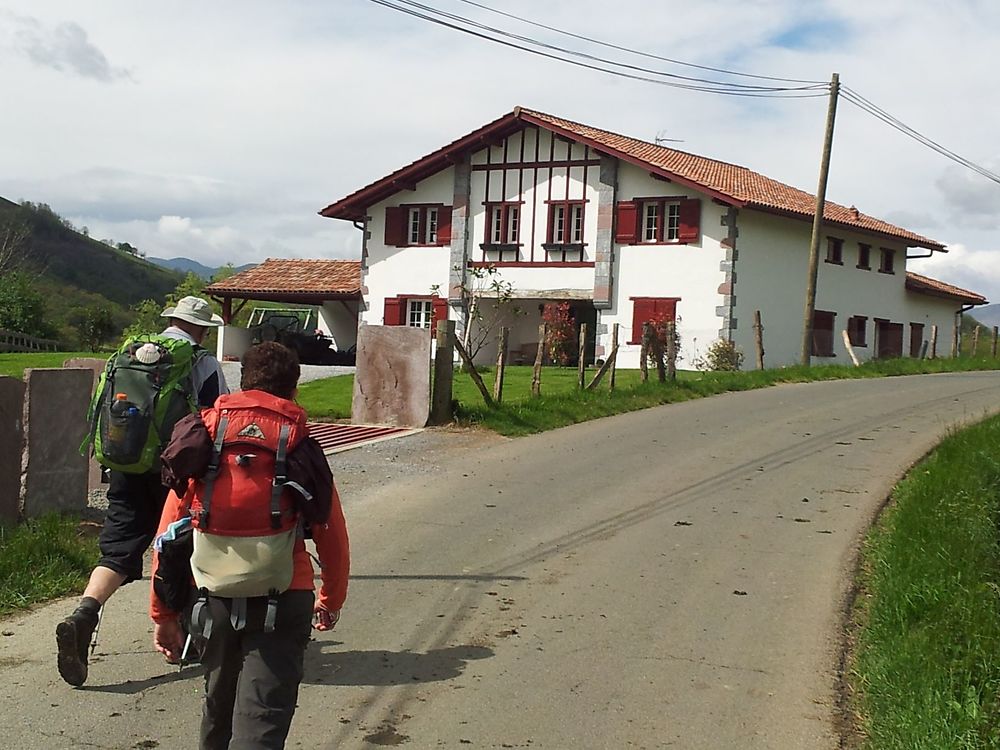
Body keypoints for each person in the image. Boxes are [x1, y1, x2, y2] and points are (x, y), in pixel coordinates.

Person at [150, 341, 350, 750]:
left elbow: (168, 534)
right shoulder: (299, 442)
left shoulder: (205, 435)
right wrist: (330, 598)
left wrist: (164, 612)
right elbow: (330, 529)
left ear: (244, 382)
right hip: (285, 593)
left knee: (216, 704)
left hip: (212, 596)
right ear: (293, 389)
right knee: (263, 718)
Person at [56, 295, 229, 687]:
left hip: (126, 464)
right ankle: (182, 633)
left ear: (170, 321)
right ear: (201, 329)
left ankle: (86, 611)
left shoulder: (129, 352)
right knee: (180, 545)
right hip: (175, 471)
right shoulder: (201, 361)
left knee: (118, 547)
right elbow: (218, 416)